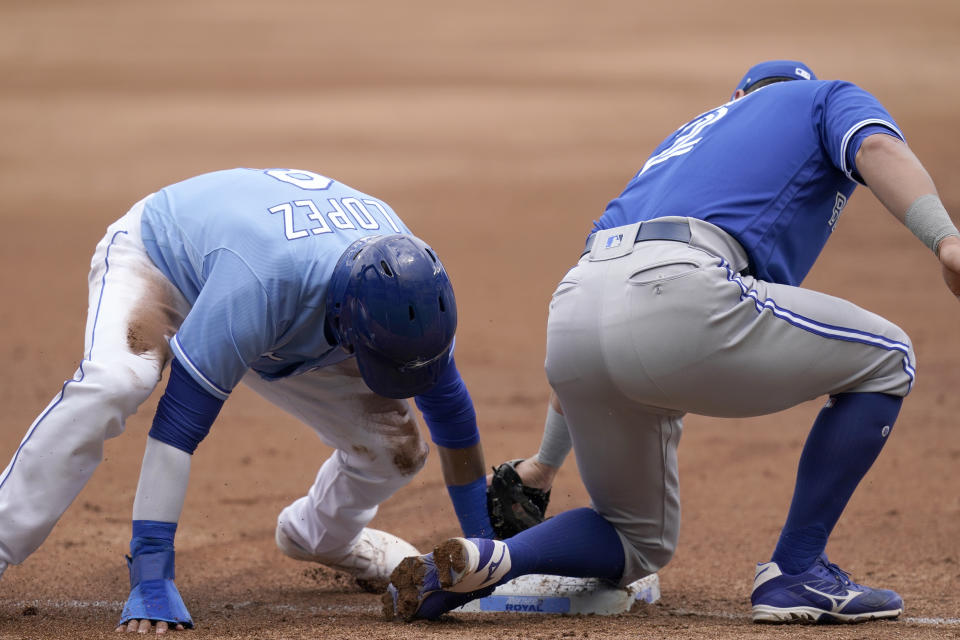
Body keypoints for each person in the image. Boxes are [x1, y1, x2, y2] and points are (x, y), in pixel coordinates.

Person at [383, 60, 960, 624]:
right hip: (682, 290)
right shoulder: (821, 98)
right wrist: (945, 241)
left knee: (637, 539)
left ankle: (493, 559)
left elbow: (609, 323)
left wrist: (544, 465)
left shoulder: (681, 144)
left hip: (575, 304)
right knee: (889, 356)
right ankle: (798, 568)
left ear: (737, 96)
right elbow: (877, 148)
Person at [0, 168, 494, 633]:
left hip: (286, 311)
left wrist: (483, 552)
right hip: (167, 263)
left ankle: (321, 535)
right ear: (348, 319)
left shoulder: (413, 291)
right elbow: (178, 427)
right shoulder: (262, 285)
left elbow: (450, 414)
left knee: (396, 450)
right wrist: (151, 574)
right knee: (118, 382)